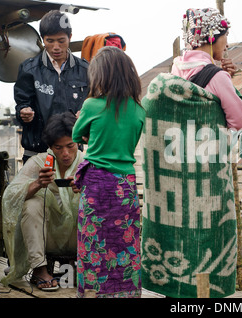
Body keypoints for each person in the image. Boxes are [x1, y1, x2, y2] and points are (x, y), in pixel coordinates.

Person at [140, 8, 242, 298]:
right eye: (224, 38)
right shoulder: (218, 76)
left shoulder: (174, 72)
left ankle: (174, 288)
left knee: (177, 230)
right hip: (204, 173)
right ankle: (202, 292)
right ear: (211, 39)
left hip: (174, 173)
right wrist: (228, 83)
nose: (226, 44)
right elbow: (238, 120)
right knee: (206, 234)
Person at [72, 46, 145, 298]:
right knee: (125, 244)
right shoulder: (139, 110)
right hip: (125, 185)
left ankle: (92, 293)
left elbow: (76, 135)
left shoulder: (91, 105)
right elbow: (130, 142)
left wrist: (84, 121)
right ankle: (126, 293)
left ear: (101, 76)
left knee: (93, 244)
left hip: (97, 184)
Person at [1, 112, 83, 291]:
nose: (66, 154)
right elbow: (11, 197)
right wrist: (38, 184)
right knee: (31, 204)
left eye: (70, 146)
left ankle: (83, 266)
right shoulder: (38, 163)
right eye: (58, 147)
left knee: (91, 202)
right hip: (47, 238)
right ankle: (39, 269)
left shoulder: (86, 164)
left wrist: (85, 189)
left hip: (78, 239)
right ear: (50, 147)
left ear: (78, 142)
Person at [14, 10, 89, 163]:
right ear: (42, 39)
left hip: (72, 153)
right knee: (36, 187)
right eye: (50, 41)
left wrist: (86, 113)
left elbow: (93, 103)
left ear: (70, 37)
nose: (56, 47)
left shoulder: (85, 70)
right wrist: (24, 113)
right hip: (37, 153)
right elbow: (22, 105)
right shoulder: (29, 70)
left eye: (61, 41)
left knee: (72, 188)